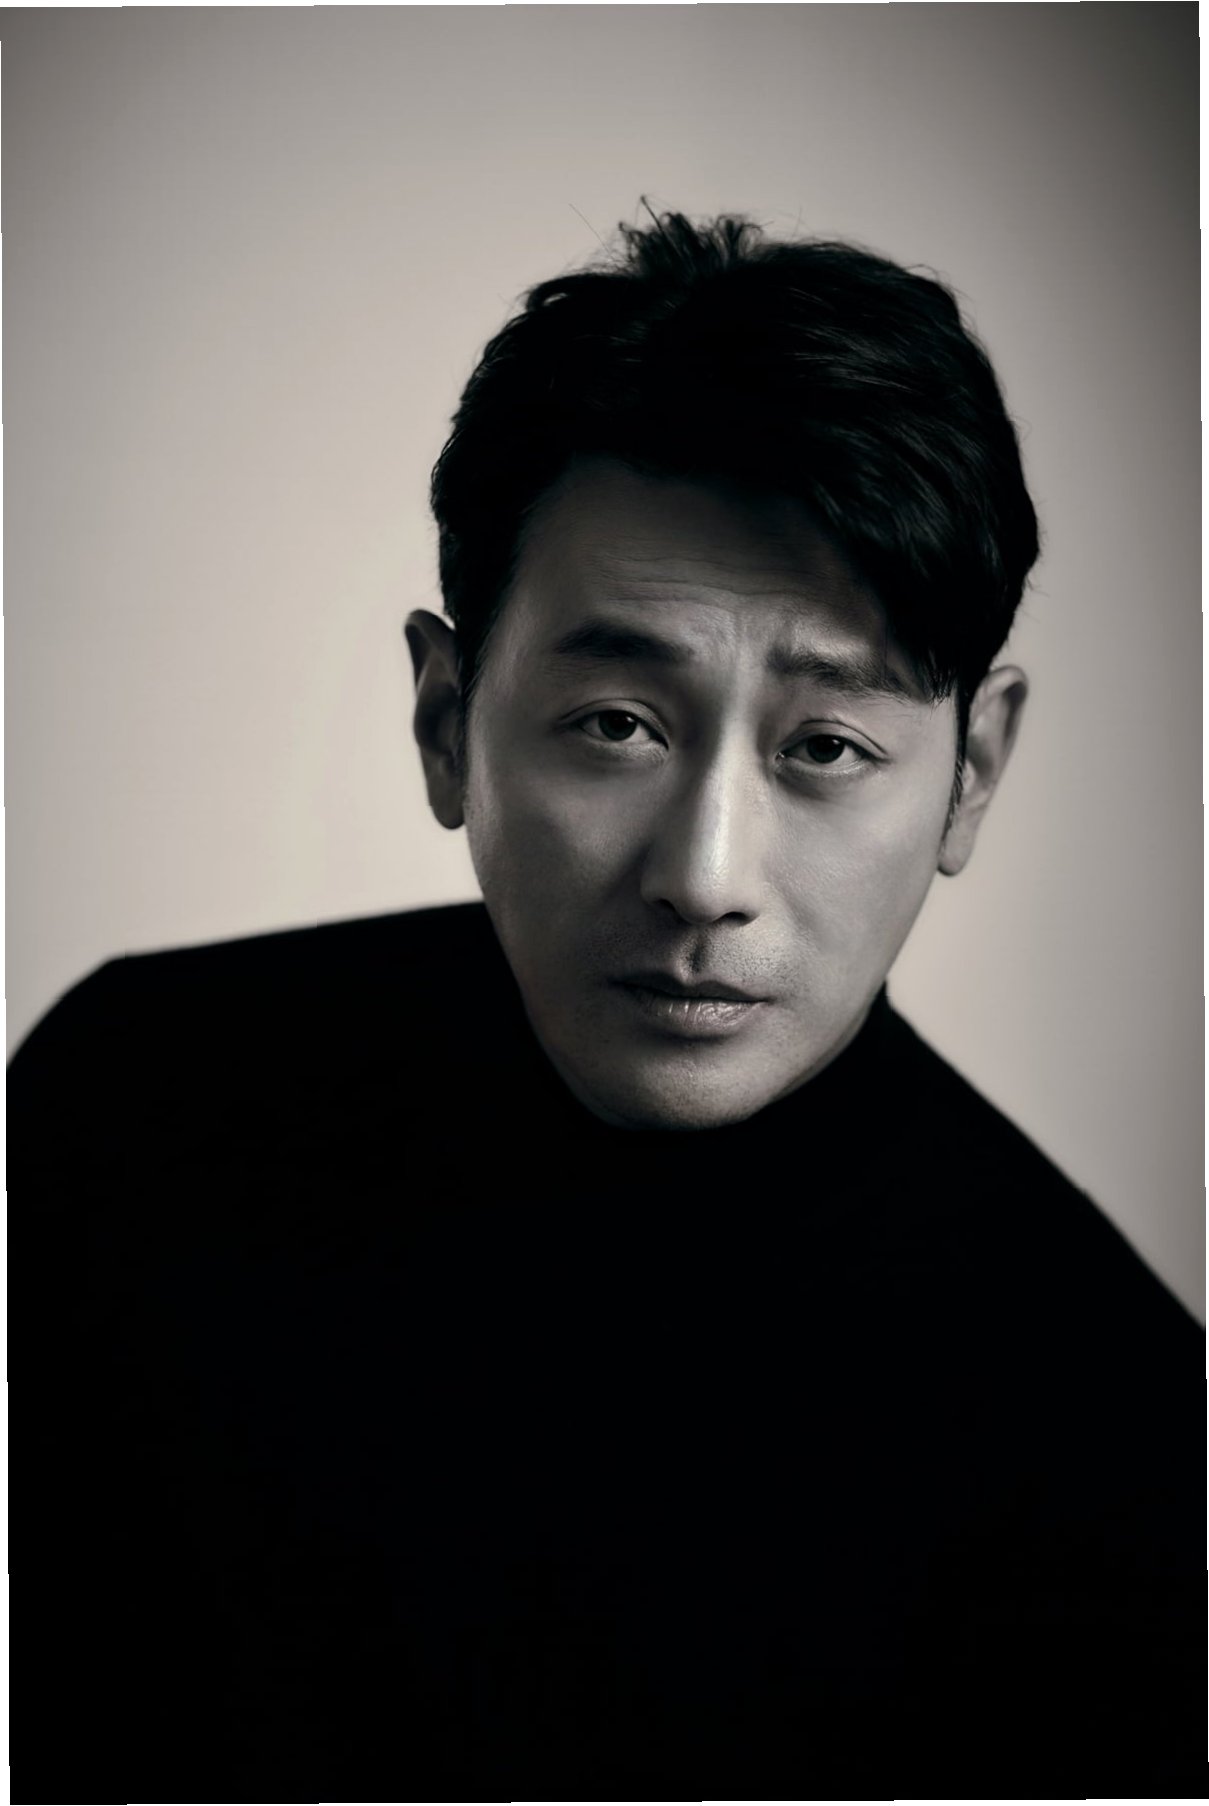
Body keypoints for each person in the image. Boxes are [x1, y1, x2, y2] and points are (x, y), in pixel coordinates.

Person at [14, 211, 1203, 1800]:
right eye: (617, 723)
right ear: (447, 720)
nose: (704, 876)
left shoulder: (1121, 1447)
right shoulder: (120, 1111)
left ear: (968, 774)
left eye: (824, 746)